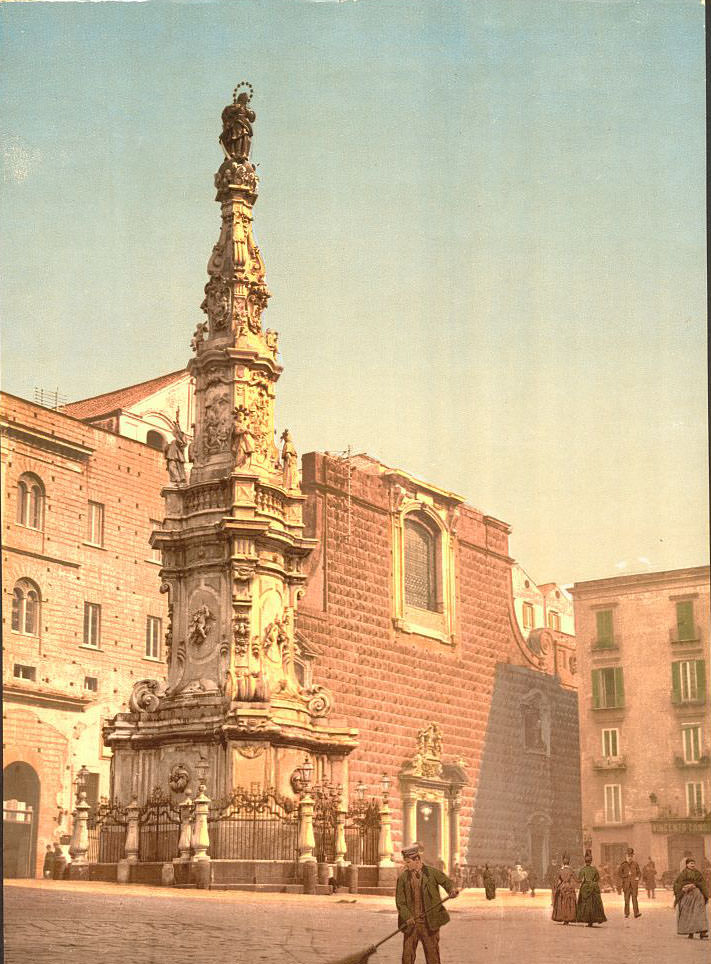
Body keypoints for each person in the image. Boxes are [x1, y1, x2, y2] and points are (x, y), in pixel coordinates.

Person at [395, 845, 459, 964]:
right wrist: (407, 916)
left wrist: (451, 890)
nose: (406, 865)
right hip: (411, 925)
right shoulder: (403, 878)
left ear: (417, 860)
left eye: (408, 862)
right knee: (407, 958)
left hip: (429, 924)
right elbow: (400, 902)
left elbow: (446, 881)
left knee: (433, 957)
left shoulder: (432, 873)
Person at [673, 857, 709, 939]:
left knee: (700, 913)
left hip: (697, 896)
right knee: (688, 913)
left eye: (693, 863)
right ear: (687, 864)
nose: (693, 865)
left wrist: (695, 885)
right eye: (691, 863)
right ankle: (690, 932)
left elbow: (702, 883)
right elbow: (677, 884)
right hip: (687, 896)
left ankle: (702, 932)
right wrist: (685, 887)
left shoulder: (698, 873)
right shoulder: (683, 874)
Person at [576, 850, 607, 927]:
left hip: (585, 887)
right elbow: (597, 878)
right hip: (593, 887)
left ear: (585, 861)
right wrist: (593, 882)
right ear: (591, 861)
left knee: (585, 904)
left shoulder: (583, 869)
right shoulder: (594, 869)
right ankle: (592, 920)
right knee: (594, 904)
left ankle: (587, 919)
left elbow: (579, 879)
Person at [551, 855, 578, 924]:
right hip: (569, 887)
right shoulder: (571, 870)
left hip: (562, 887)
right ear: (569, 861)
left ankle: (563, 917)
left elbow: (557, 880)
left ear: (562, 861)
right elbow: (576, 879)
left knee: (562, 902)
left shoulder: (560, 870)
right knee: (569, 902)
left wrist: (555, 887)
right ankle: (569, 917)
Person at [618, 847, 642, 918]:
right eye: (628, 856)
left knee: (635, 899)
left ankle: (636, 913)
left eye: (631, 856)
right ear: (626, 856)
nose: (630, 857)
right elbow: (619, 874)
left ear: (633, 856)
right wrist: (626, 875)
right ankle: (626, 913)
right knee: (626, 900)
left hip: (634, 885)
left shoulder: (635, 864)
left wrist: (637, 878)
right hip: (626, 885)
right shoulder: (623, 865)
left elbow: (639, 873)